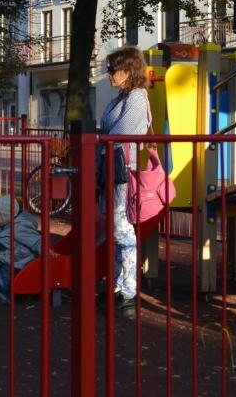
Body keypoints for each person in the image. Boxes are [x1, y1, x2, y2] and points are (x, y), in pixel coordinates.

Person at [99, 46, 151, 318]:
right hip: (110, 166)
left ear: (127, 71)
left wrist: (99, 140)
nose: (109, 74)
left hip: (122, 170)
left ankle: (128, 289)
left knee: (121, 227)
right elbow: (107, 129)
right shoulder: (122, 97)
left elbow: (119, 132)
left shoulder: (138, 98)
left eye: (113, 69)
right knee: (114, 226)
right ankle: (118, 285)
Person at [0, 194, 43, 305]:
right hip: (7, 257)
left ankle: (6, 295)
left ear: (6, 215)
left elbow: (36, 241)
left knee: (5, 277)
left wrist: (45, 252)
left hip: (18, 260)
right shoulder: (8, 225)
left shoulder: (20, 228)